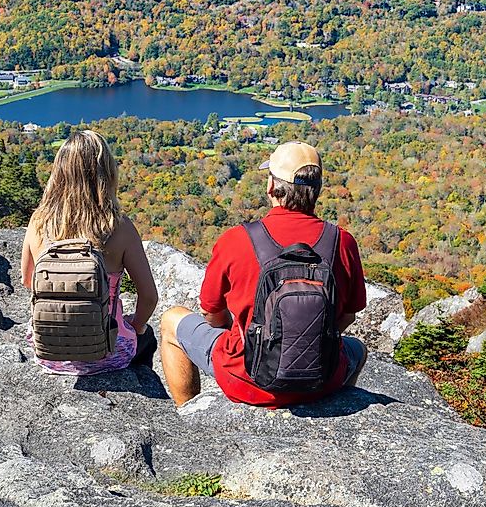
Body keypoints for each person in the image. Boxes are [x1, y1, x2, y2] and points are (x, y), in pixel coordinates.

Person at [160, 140, 367, 407]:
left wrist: (241, 334)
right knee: (358, 350)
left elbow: (212, 313)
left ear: (271, 187)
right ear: (317, 190)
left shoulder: (237, 240)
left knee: (171, 321)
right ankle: (329, 402)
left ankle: (187, 411)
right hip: (321, 380)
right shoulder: (342, 242)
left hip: (246, 380)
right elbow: (347, 316)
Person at [22, 129, 159, 374]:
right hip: (108, 354)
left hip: (49, 353)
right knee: (147, 338)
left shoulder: (39, 221)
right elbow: (149, 297)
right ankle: (142, 380)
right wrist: (135, 326)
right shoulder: (119, 227)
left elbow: (27, 280)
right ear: (107, 174)